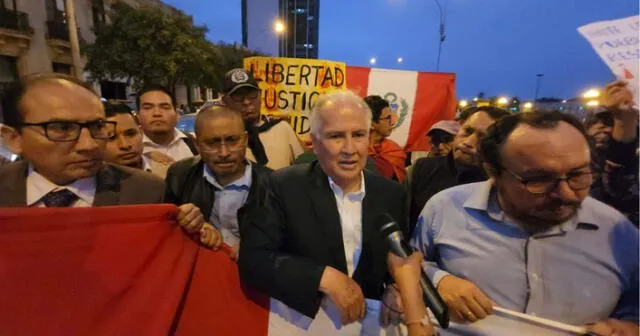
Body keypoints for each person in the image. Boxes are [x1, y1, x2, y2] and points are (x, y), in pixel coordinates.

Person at [411, 111, 639, 335]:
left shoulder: (620, 233)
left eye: (578, 174)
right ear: (494, 172)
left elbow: (634, 305)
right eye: (539, 179)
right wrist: (438, 280)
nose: (566, 194)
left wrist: (629, 326)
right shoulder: (445, 208)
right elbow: (407, 265)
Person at [238, 90, 424, 335]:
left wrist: (394, 288)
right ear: (314, 142)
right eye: (336, 136)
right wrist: (321, 277)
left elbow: (396, 258)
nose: (349, 149)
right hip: (301, 325)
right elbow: (254, 261)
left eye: (358, 135)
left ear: (370, 138)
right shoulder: (281, 186)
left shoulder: (391, 194)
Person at [0, 74, 216, 247]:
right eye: (62, 129)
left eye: (97, 127)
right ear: (13, 138)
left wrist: (198, 231)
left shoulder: (147, 192)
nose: (89, 145)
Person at [164, 106, 272, 260]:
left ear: (246, 140)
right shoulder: (180, 176)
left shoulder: (273, 185)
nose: (224, 153)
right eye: (212, 143)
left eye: (232, 140)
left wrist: (259, 246)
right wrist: (186, 223)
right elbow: (165, 231)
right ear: (196, 145)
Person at [406, 106, 509, 231]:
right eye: (467, 131)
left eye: (482, 137)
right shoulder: (421, 169)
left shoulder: (505, 187)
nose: (468, 142)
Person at [216, 68, 304, 170]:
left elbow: (303, 168)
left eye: (252, 94)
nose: (246, 102)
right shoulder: (220, 138)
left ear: (260, 95)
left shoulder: (282, 128)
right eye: (238, 96)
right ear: (224, 101)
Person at [589, 80, 639, 226]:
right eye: (599, 122)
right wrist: (623, 118)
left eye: (611, 123)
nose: (605, 129)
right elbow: (617, 169)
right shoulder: (581, 162)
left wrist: (624, 119)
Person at [136, 84, 198, 174]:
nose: (157, 113)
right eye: (148, 108)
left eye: (165, 107)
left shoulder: (192, 142)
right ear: (138, 115)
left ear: (176, 114)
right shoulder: (130, 150)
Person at [365, 95, 407, 182]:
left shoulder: (394, 150)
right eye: (387, 118)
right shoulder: (354, 151)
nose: (392, 122)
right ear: (371, 123)